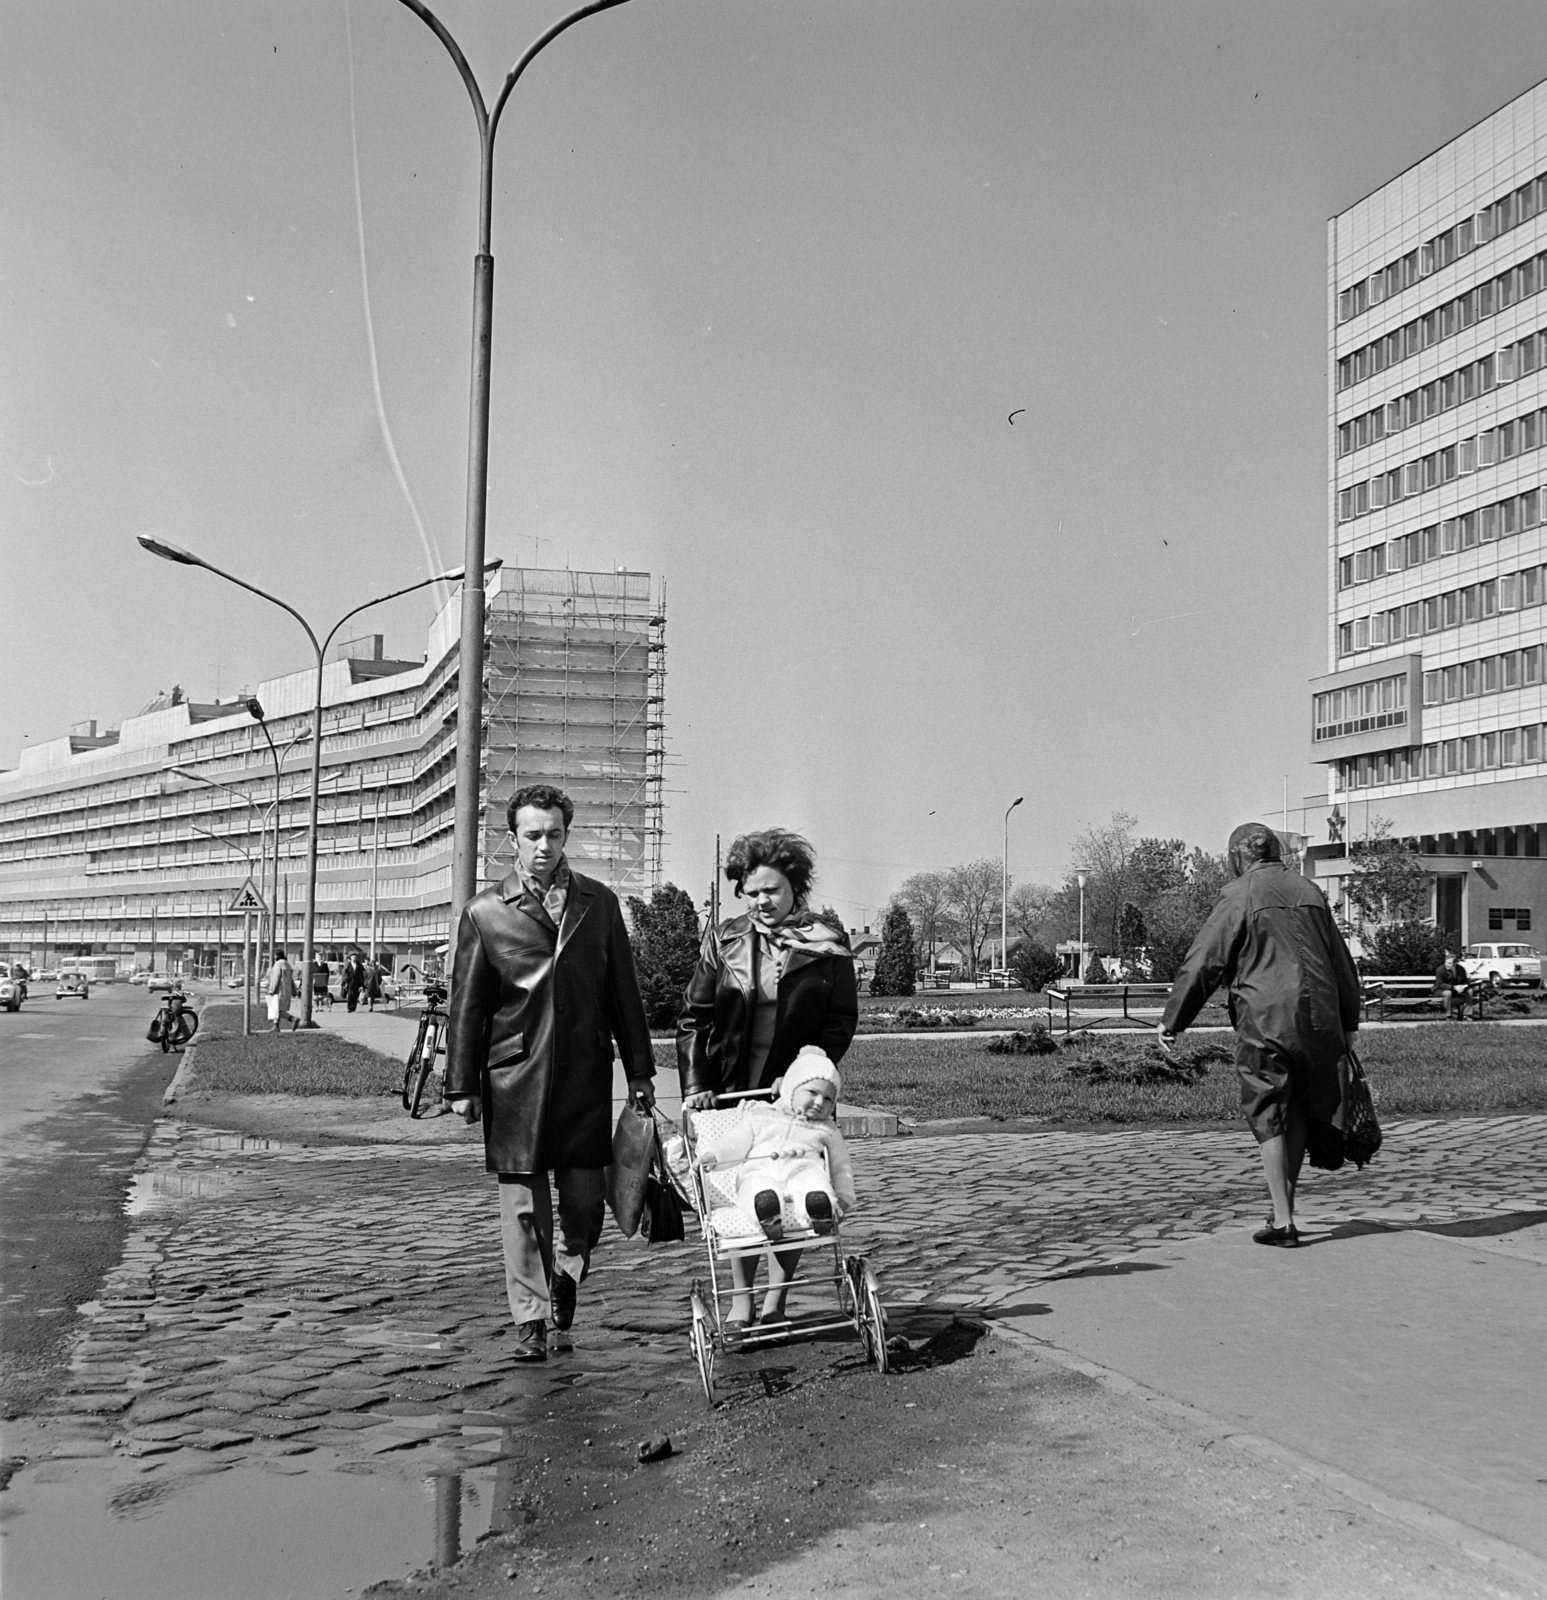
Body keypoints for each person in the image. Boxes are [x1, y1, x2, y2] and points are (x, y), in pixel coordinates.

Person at [444, 783, 655, 1362]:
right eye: (532, 834)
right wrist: (461, 1085)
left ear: (567, 836)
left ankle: (570, 1268)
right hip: (515, 1080)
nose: (544, 845)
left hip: (586, 1076)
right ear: (512, 838)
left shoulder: (600, 903)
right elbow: (468, 1006)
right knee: (521, 1207)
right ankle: (531, 1318)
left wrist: (640, 1070)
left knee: (585, 1203)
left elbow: (624, 994)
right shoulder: (486, 912)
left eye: (554, 834)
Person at [677, 828, 858, 1324]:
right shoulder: (725, 939)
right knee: (744, 1192)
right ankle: (741, 1299)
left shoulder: (828, 946)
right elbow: (695, 1017)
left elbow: (840, 1020)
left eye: (770, 890)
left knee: (797, 1189)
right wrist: (696, 1085)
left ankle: (777, 1301)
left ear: (794, 888)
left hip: (797, 1092)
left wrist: (804, 1073)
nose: (760, 901)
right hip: (733, 1085)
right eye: (751, 892)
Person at [1159, 823, 1361, 1249]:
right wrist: (1348, 1021)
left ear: (1237, 856)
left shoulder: (1241, 893)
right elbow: (1341, 961)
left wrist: (1174, 1018)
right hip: (1320, 1016)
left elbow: (1204, 962)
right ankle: (1282, 1210)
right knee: (1301, 1110)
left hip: (1267, 1017)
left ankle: (1284, 1222)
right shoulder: (1309, 891)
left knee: (1270, 1111)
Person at [695, 1045, 857, 1264]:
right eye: (812, 1093)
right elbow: (734, 1142)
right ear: (791, 1088)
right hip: (759, 1171)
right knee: (756, 1187)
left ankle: (820, 1208)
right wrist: (713, 1156)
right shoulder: (762, 1116)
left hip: (800, 1170)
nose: (820, 1102)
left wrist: (844, 1199)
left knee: (813, 1179)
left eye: (828, 1099)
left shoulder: (826, 1129)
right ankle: (767, 1211)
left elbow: (840, 1165)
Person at [1435, 947, 1471, 1020]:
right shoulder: (1440, 969)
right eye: (1446, 963)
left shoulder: (1461, 969)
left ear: (1455, 964)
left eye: (1450, 963)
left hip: (1456, 990)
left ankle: (1466, 1015)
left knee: (1470, 991)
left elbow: (1465, 981)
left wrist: (1463, 987)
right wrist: (1454, 987)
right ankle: (1449, 1016)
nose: (1447, 965)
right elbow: (1440, 984)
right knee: (1448, 993)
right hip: (1440, 990)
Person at [265, 949, 295, 1033]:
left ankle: (293, 1019)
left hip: (279, 990)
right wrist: (294, 990)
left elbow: (276, 978)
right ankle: (276, 1026)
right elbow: (291, 979)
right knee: (277, 1008)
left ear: (276, 956)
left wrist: (272, 990)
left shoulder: (278, 965)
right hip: (287, 990)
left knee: (276, 1009)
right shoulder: (288, 965)